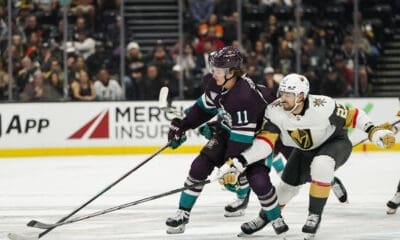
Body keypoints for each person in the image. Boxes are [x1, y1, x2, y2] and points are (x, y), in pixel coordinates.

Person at [222, 73, 395, 239]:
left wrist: (374, 131)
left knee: (321, 165)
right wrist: (240, 162)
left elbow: (354, 115)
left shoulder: (323, 106)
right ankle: (264, 217)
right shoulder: (274, 111)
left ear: (301, 95)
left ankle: (314, 215)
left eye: (288, 94)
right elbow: (265, 143)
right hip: (305, 149)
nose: (283, 98)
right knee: (285, 188)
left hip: (335, 143)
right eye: (281, 92)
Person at [165, 46, 288, 237]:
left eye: (218, 70)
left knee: (259, 181)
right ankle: (182, 215)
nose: (213, 73)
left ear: (232, 72)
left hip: (257, 139)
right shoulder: (216, 83)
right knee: (199, 167)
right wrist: (182, 125)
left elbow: (241, 143)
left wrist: (232, 168)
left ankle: (276, 218)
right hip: (230, 130)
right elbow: (203, 109)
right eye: (213, 68)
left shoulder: (243, 97)